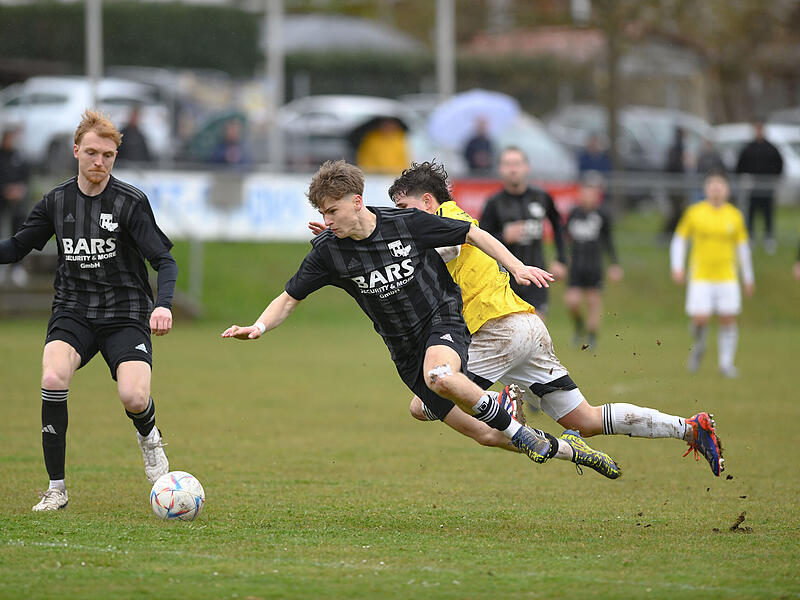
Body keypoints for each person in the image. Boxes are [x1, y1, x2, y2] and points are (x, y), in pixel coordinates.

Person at [223, 159, 621, 478]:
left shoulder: (405, 223)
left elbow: (471, 234)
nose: (327, 221)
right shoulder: (330, 252)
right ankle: (572, 451)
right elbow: (288, 298)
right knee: (484, 434)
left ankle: (509, 417)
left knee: (442, 377)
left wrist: (516, 268)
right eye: (322, 214)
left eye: (332, 211)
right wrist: (258, 326)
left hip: (442, 320)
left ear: (357, 201)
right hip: (404, 351)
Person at [382, 161, 723, 477]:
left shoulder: (445, 221)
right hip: (525, 327)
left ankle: (505, 402)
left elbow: (438, 246)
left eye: (402, 209)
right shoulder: (443, 222)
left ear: (427, 202)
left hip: (498, 332)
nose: (399, 218)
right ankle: (691, 428)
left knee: (425, 402)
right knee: (585, 420)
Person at [0, 110, 177, 511]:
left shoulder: (130, 202)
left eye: (109, 155)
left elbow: (164, 262)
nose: (100, 162)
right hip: (74, 309)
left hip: (125, 311)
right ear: (76, 150)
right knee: (52, 375)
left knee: (133, 396)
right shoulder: (57, 200)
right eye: (93, 153)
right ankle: (56, 489)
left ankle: (149, 436)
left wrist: (162, 305)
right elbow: (16, 247)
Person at [671, 172, 754, 379]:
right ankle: (699, 346)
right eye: (712, 185)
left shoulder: (734, 215)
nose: (716, 188)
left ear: (726, 190)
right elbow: (679, 240)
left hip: (727, 276)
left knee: (727, 317)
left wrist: (748, 277)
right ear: (706, 189)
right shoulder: (695, 212)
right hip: (701, 276)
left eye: (720, 185)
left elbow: (743, 248)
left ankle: (726, 365)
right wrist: (677, 266)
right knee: (700, 319)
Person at [479, 146, 568, 319]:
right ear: (500, 169)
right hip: (504, 279)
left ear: (526, 167)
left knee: (537, 330)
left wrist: (561, 259)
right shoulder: (494, 203)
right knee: (512, 336)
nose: (513, 169)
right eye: (507, 164)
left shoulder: (541, 197)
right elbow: (480, 241)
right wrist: (504, 236)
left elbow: (558, 225)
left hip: (536, 275)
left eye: (517, 164)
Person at [564, 172, 623, 349]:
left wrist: (614, 264)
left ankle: (591, 336)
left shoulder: (602, 214)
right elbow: (566, 236)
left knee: (593, 301)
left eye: (592, 192)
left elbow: (609, 241)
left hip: (594, 265)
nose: (588, 196)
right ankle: (579, 325)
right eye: (585, 191)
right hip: (576, 265)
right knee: (572, 301)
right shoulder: (574, 213)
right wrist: (562, 257)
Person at [736, 121, 784, 254]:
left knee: (768, 214)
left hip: (767, 189)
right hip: (752, 189)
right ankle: (750, 238)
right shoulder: (748, 148)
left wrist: (774, 179)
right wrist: (744, 177)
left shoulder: (771, 148)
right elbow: (740, 165)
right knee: (750, 214)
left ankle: (769, 238)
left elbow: (779, 164)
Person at [0, 126, 31, 285]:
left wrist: (19, 190)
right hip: (2, 202)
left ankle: (17, 268)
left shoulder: (20, 157)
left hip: (17, 203)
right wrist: (5, 190)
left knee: (18, 231)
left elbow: (26, 176)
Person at [662, 126, 687, 237]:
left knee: (678, 210)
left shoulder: (677, 147)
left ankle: (672, 232)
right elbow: (673, 165)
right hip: (675, 183)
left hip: (676, 183)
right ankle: (667, 233)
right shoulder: (677, 148)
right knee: (676, 210)